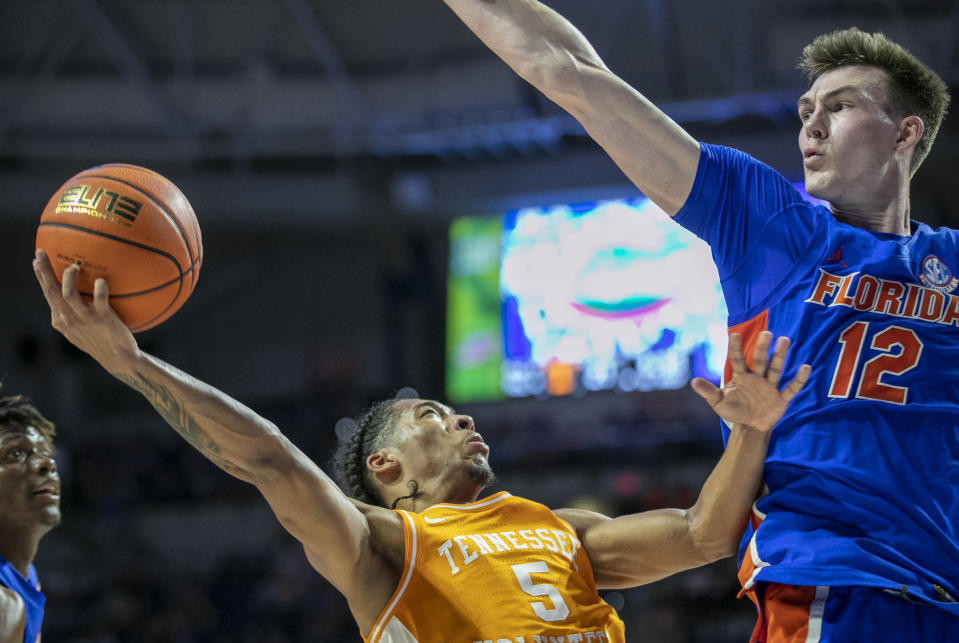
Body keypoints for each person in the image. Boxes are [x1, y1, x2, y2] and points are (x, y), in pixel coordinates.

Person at [438, 2, 958, 641]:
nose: (811, 127)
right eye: (805, 111)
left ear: (905, 133)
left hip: (944, 592)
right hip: (833, 584)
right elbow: (571, 73)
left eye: (841, 107)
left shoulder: (951, 262)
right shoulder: (770, 225)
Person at [32, 251, 809, 642]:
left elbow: (706, 535)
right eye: (433, 415)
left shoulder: (560, 525)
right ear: (384, 465)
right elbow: (267, 457)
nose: (464, 420)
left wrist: (752, 426)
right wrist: (131, 365)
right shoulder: (383, 545)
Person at [0, 389, 61, 643]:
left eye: (45, 454)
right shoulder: (5, 607)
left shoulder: (29, 579)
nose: (46, 464)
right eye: (16, 454)